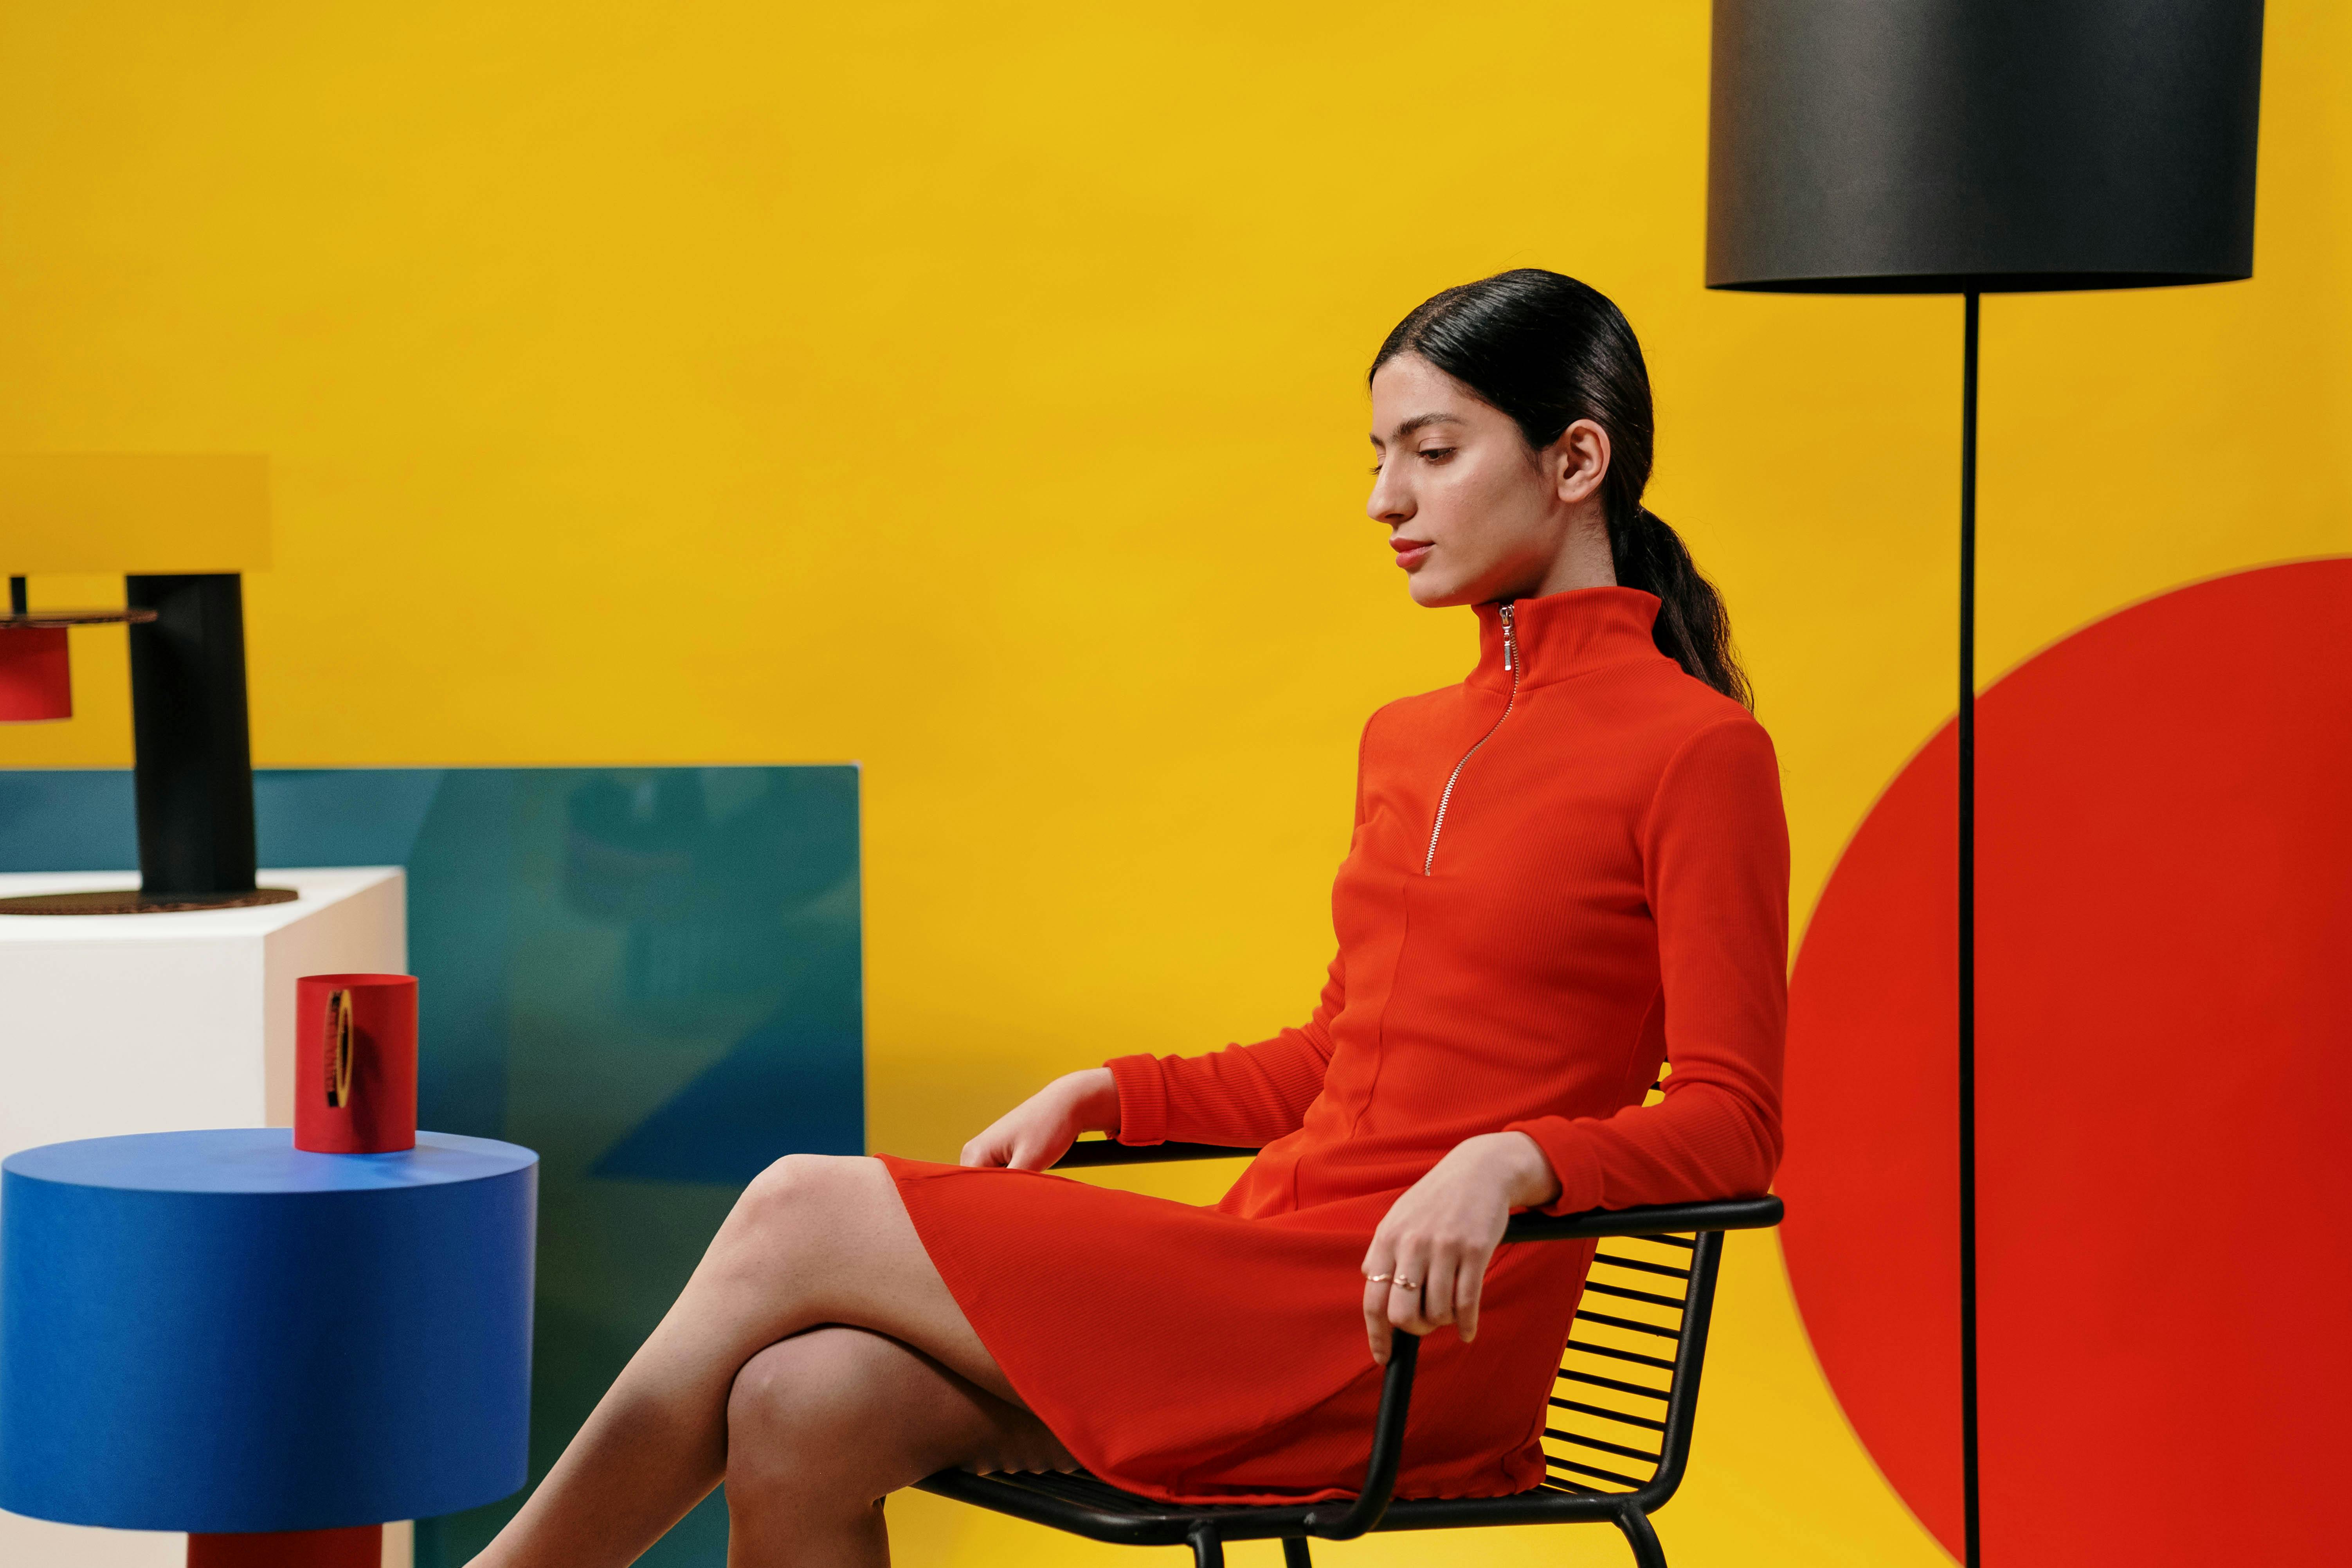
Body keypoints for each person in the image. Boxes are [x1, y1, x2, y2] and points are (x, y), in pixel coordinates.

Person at [469, 268, 1788, 1568]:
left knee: (801, 1203)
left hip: (1412, 1340)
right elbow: (1348, 1055)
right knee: (801, 1403)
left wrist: (1514, 1162)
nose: (1384, 499)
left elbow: (1733, 1122)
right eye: (1380, 455)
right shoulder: (1406, 742)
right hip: (1264, 1269)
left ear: (1574, 462)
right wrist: (1112, 1093)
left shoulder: (1694, 753)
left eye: (1431, 452)